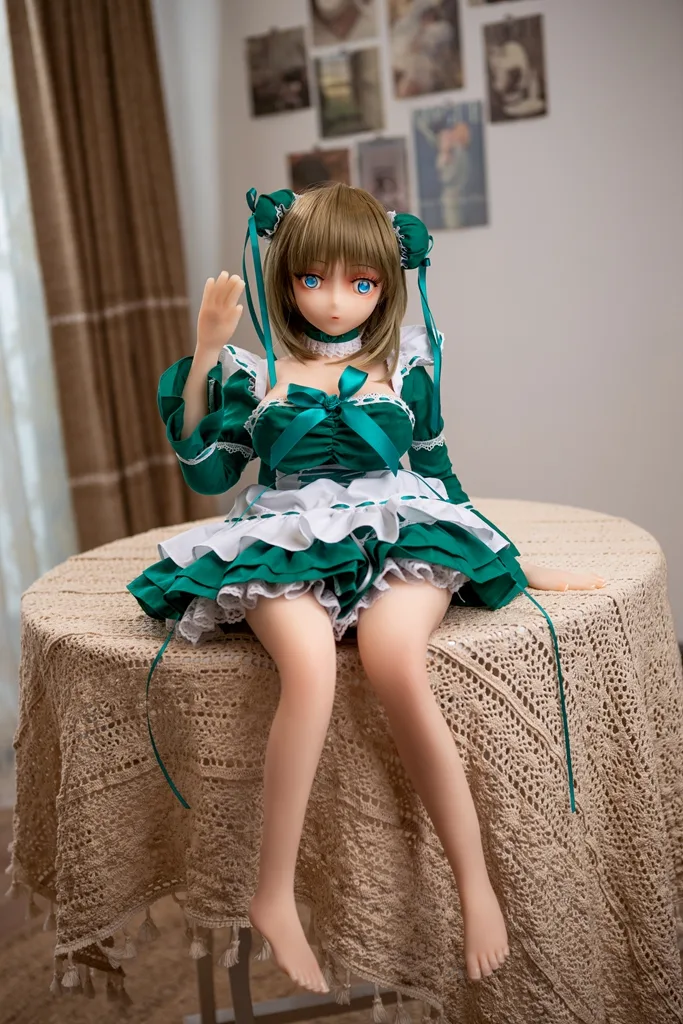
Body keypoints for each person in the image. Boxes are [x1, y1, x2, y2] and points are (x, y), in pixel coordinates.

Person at [128, 183, 605, 995]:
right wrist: (207, 350)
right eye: (312, 278)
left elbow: (437, 471)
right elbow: (208, 474)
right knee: (309, 668)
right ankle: (272, 893)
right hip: (283, 532)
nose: (334, 300)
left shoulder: (405, 363)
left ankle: (474, 883)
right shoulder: (257, 371)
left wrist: (510, 558)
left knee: (396, 662)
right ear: (286, 279)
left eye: (360, 282)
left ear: (386, 283)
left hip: (399, 525)